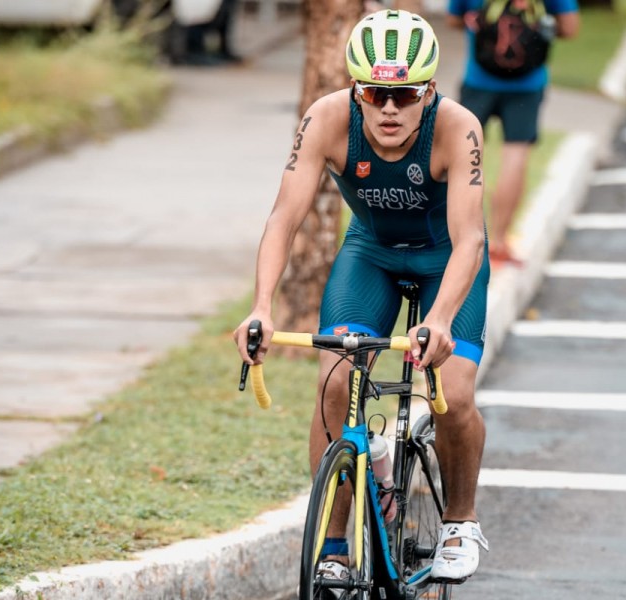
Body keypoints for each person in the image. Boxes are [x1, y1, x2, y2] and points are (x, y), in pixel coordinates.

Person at [233, 9, 490, 583]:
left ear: (429, 89)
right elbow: (283, 218)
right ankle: (333, 547)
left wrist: (442, 318)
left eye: (406, 94)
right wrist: (261, 306)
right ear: (355, 87)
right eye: (375, 94)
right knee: (333, 384)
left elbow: (471, 237)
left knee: (453, 390)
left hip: (445, 260)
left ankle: (460, 520)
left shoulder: (458, 127)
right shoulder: (326, 120)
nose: (390, 109)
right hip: (371, 254)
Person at [447, 0, 580, 267]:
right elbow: (570, 27)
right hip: (528, 84)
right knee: (515, 157)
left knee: (462, 159)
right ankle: (498, 241)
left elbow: (453, 19)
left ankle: (457, 240)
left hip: (478, 81)